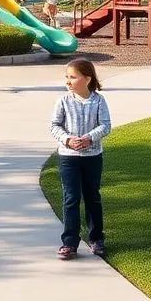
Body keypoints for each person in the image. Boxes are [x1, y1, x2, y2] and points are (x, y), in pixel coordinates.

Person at [50, 58, 111, 260]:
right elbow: (55, 126)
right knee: (71, 198)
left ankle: (97, 239)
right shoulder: (63, 101)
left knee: (92, 197)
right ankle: (69, 243)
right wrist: (68, 140)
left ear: (87, 79)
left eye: (73, 77)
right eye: (67, 77)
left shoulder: (98, 101)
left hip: (92, 157)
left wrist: (89, 138)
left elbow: (105, 125)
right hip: (69, 158)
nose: (68, 81)